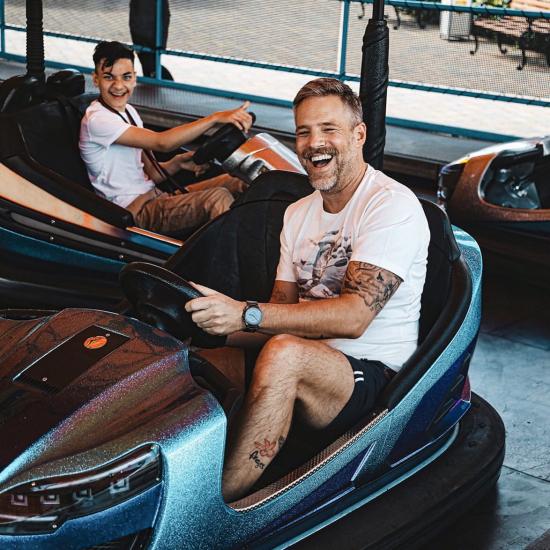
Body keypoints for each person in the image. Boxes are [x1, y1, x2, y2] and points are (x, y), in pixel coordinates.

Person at [184, 78, 430, 501]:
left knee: (284, 354)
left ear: (358, 134)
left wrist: (243, 312)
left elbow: (353, 317)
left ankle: (216, 509)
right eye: (303, 132)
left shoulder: (390, 205)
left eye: (328, 129)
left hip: (373, 375)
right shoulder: (298, 213)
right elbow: (277, 314)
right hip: (305, 353)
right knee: (195, 358)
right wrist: (204, 316)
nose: (314, 143)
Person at [80, 41, 253, 234]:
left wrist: (178, 163)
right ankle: (241, 253)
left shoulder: (128, 112)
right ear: (96, 79)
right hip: (135, 212)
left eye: (126, 77)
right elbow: (162, 142)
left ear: (134, 78)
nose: (119, 86)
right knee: (217, 199)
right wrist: (215, 118)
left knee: (240, 181)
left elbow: (151, 174)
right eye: (108, 77)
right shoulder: (97, 120)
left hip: (155, 196)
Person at [129, 0, 173, 80]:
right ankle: (162, 83)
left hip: (147, 36)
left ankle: (166, 83)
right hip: (146, 36)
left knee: (150, 64)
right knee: (149, 64)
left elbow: (165, 16)